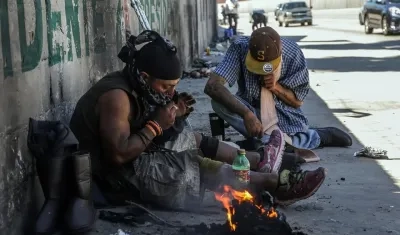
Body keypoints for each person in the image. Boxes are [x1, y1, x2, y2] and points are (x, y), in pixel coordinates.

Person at [69, 30, 326, 209]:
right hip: (113, 178)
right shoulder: (117, 97)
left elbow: (156, 132)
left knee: (191, 137)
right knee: (194, 166)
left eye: (174, 86)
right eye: (165, 87)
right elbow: (117, 156)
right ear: (145, 77)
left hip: (133, 158)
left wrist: (174, 117)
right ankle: (273, 184)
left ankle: (257, 160)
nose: (170, 93)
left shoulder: (137, 83)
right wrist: (156, 125)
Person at [205, 27, 352, 151]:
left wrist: (276, 87)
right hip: (250, 110)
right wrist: (246, 114)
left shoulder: (292, 53)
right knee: (217, 101)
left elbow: (297, 102)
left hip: (283, 115)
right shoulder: (240, 47)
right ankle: (270, 144)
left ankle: (315, 137)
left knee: (273, 142)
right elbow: (212, 86)